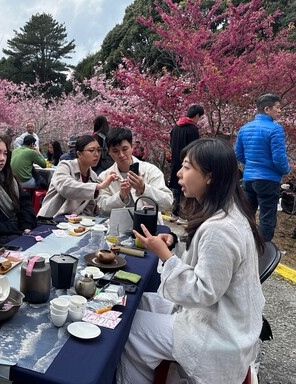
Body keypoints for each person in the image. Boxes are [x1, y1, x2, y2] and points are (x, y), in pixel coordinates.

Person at [117, 138, 265, 384]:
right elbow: (209, 263)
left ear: (209, 177)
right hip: (222, 319)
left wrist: (164, 255)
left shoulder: (221, 228)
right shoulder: (229, 212)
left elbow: (202, 292)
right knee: (138, 302)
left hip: (217, 334)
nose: (178, 173)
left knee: (129, 330)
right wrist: (173, 242)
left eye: (186, 167)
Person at [235, 94, 291, 242]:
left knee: (247, 214)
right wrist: (286, 171)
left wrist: (252, 164)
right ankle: (263, 250)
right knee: (267, 217)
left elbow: (238, 154)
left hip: (249, 178)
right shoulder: (275, 130)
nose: (280, 111)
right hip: (269, 179)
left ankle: (243, 244)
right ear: (267, 109)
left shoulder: (244, 128)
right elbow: (279, 158)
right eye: (277, 107)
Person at [97, 128, 173, 216]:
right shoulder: (104, 177)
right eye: (115, 151)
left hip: (149, 226)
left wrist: (143, 188)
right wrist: (121, 197)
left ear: (132, 147)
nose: (121, 155)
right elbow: (102, 208)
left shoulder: (151, 171)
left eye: (125, 149)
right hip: (118, 227)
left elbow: (167, 203)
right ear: (109, 152)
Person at [37, 135, 117, 218]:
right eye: (91, 150)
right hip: (50, 219)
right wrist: (98, 186)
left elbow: (89, 208)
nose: (97, 154)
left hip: (73, 224)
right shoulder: (65, 166)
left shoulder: (93, 176)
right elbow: (65, 187)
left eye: (99, 150)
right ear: (79, 154)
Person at [168, 104, 204, 223]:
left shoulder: (176, 127)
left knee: (177, 187)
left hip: (175, 161)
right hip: (187, 163)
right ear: (197, 115)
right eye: (200, 117)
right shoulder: (192, 129)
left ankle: (174, 213)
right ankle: (183, 216)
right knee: (186, 188)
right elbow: (195, 148)